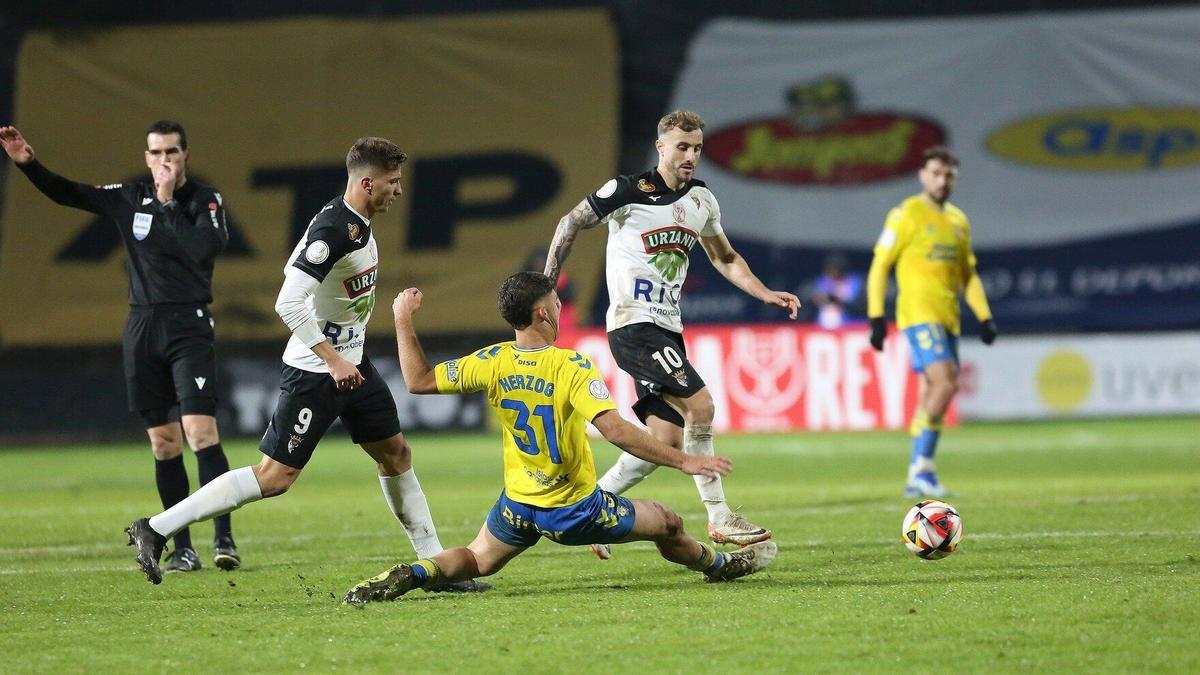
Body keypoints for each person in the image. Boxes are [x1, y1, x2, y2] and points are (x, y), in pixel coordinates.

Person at [125, 137, 487, 593]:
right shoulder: (335, 230)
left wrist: (345, 358)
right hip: (318, 374)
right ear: (368, 182)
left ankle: (436, 569)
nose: (398, 191)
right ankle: (155, 528)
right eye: (393, 183)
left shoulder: (356, 222)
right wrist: (333, 361)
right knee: (274, 478)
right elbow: (288, 301)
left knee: (396, 454)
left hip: (354, 367)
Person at [343, 272, 777, 604]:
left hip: (518, 504)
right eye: (555, 300)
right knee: (668, 523)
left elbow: (417, 380)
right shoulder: (571, 366)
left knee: (476, 559)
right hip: (573, 509)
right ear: (544, 314)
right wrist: (685, 461)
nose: (558, 305)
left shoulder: (492, 360)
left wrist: (401, 318)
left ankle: (414, 574)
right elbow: (615, 430)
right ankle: (721, 566)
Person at [542, 110, 800, 559]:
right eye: (682, 147)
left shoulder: (702, 200)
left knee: (664, 440)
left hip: (667, 328)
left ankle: (589, 511)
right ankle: (720, 518)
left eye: (697, 148)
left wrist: (764, 293)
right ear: (661, 147)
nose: (691, 156)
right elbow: (569, 223)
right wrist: (546, 290)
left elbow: (725, 257)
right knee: (702, 404)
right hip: (634, 324)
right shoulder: (626, 191)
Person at [1, 121, 239, 574]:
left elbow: (205, 249)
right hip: (142, 327)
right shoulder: (129, 198)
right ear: (146, 156)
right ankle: (182, 548)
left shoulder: (203, 200)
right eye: (156, 152)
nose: (164, 160)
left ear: (186, 154)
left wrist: (168, 203)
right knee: (164, 443)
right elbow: (68, 193)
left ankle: (224, 538)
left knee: (200, 432)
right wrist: (29, 165)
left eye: (171, 151)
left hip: (188, 323)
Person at [866, 145, 998, 498]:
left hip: (948, 319)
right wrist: (876, 315)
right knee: (946, 383)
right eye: (936, 173)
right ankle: (922, 465)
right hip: (918, 315)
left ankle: (917, 474)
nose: (942, 181)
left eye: (948, 175)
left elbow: (967, 275)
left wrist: (984, 316)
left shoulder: (957, 221)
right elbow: (880, 266)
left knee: (931, 390)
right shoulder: (905, 214)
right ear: (922, 175)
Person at [806, 252, 865, 330]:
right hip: (823, 327)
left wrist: (838, 300)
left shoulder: (855, 281)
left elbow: (861, 306)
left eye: (834, 269)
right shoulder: (821, 281)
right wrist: (814, 300)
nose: (832, 273)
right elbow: (806, 299)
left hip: (850, 327)